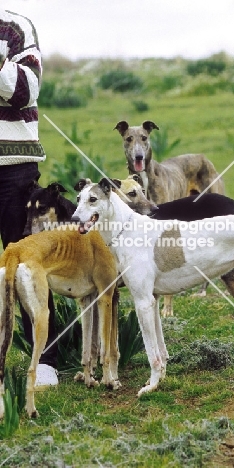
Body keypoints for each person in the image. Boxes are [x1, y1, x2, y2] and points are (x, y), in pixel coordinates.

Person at [0, 8, 58, 387]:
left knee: (25, 265)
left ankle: (46, 359)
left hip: (14, 168)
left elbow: (23, 92)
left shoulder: (15, 27)